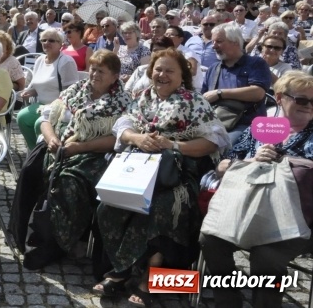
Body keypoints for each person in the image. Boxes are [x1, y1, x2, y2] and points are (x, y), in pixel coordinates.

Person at [93, 48, 229, 307]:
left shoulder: (193, 101)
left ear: (182, 76)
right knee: (108, 206)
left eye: (169, 70)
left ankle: (149, 278)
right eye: (158, 69)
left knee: (160, 208)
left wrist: (172, 145)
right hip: (139, 168)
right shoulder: (143, 97)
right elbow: (123, 127)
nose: (162, 75)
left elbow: (213, 141)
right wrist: (138, 138)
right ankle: (122, 267)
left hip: (177, 174)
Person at [201, 71, 313, 308]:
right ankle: (228, 300)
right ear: (281, 97)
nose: (309, 106)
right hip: (244, 211)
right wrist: (252, 160)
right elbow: (223, 166)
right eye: (302, 100)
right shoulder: (259, 130)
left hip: (294, 221)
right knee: (210, 239)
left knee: (267, 257)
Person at [10, 50, 130, 268]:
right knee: (30, 170)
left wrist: (80, 147)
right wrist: (51, 138)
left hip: (94, 154)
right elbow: (46, 118)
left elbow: (117, 139)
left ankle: (61, 242)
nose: (94, 74)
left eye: (101, 71)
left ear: (115, 76)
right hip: (59, 146)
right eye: (93, 69)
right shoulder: (75, 90)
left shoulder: (121, 101)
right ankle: (25, 233)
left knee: (68, 181)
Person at [203, 23, 272, 145]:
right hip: (216, 123)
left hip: (246, 123)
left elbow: (258, 92)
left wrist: (219, 93)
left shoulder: (256, 63)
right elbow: (203, 98)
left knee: (223, 146)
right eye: (212, 42)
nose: (213, 46)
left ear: (235, 42)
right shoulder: (213, 69)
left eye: (219, 41)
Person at [17, 29, 79, 149]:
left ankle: (45, 155)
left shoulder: (66, 62)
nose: (46, 43)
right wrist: (30, 92)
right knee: (22, 117)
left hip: (59, 106)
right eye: (43, 40)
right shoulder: (40, 60)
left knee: (38, 123)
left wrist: (55, 106)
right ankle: (34, 151)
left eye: (51, 40)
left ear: (61, 43)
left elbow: (72, 91)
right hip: (41, 105)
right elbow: (39, 86)